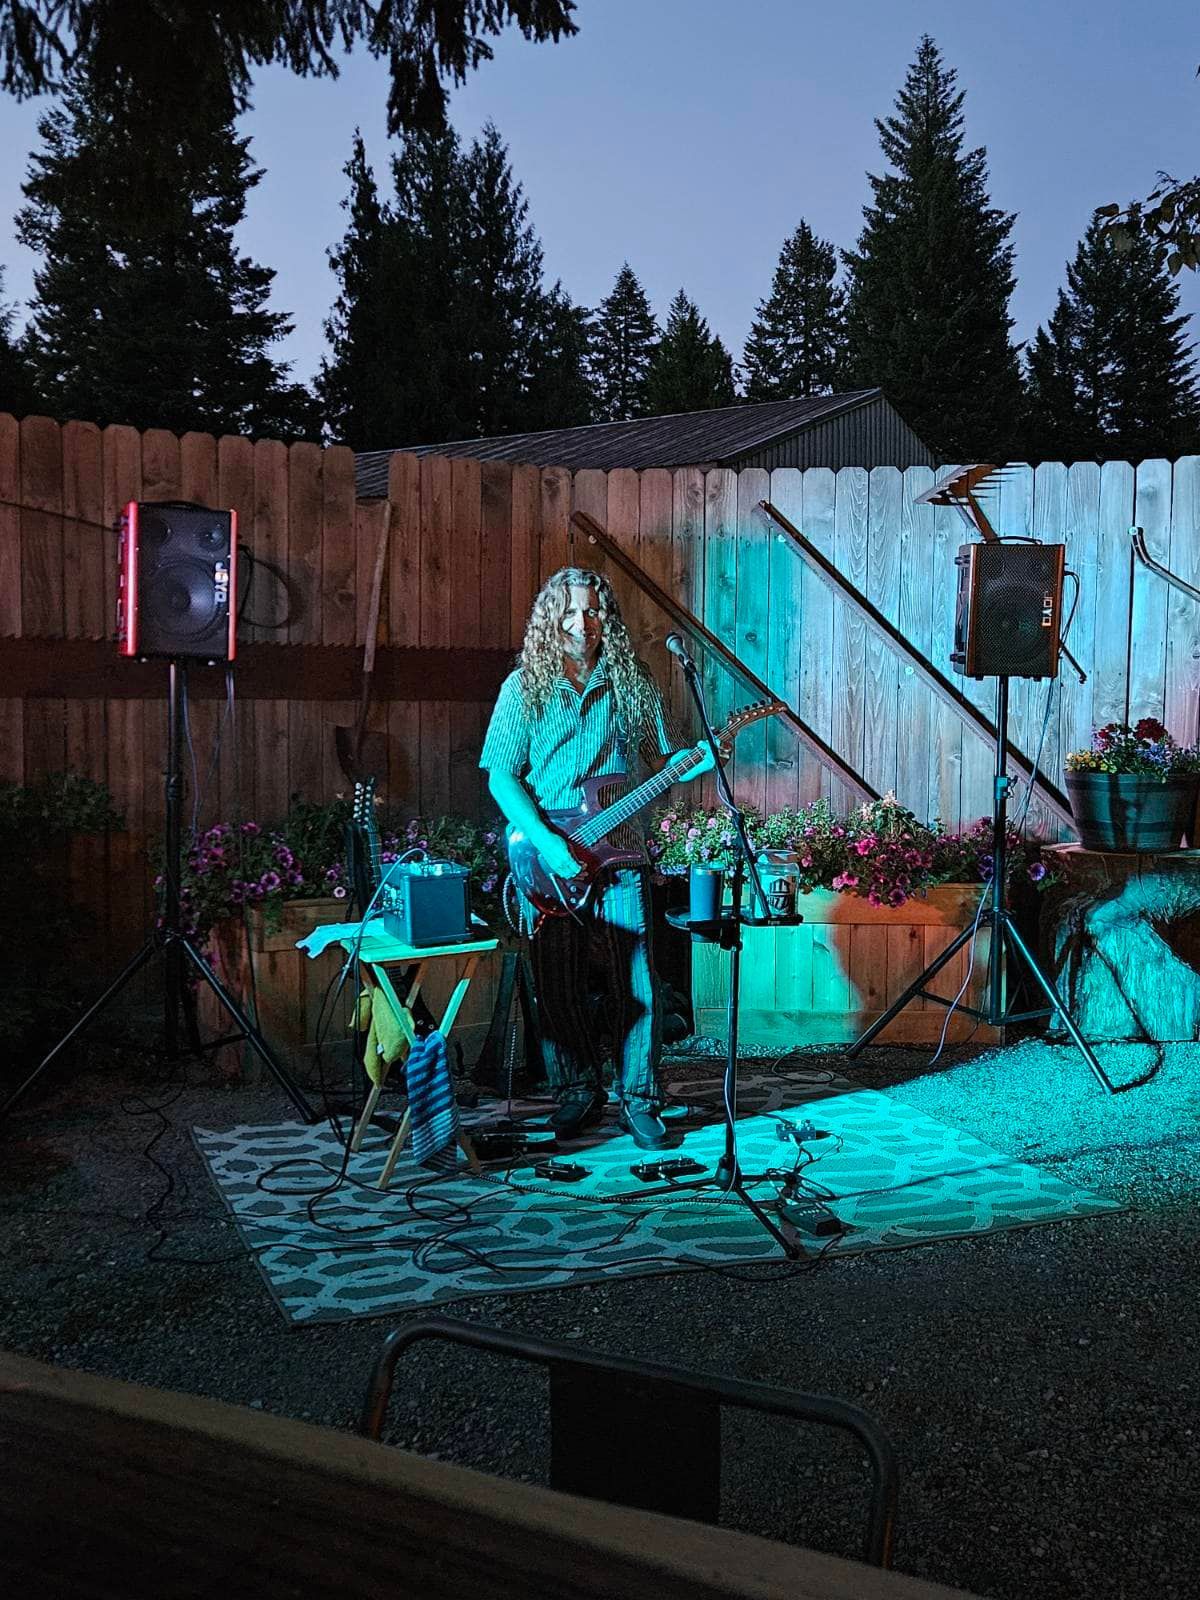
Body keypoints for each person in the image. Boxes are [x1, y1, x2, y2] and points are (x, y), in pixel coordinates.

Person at [480, 566, 711, 1150]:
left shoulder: (632, 683)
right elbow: (503, 779)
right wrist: (551, 843)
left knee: (641, 981)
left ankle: (640, 1099)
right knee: (556, 981)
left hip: (623, 850)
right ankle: (576, 1092)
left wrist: (704, 758)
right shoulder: (523, 689)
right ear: (549, 618)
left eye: (591, 611)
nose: (581, 623)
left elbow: (669, 759)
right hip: (549, 854)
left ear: (605, 616)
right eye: (570, 611)